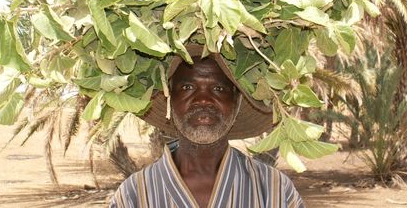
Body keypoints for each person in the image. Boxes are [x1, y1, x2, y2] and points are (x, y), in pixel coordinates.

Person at [110, 45, 305, 207]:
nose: (203, 100)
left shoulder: (275, 191)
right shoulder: (134, 195)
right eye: (187, 87)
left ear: (237, 103)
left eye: (219, 89)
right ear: (170, 99)